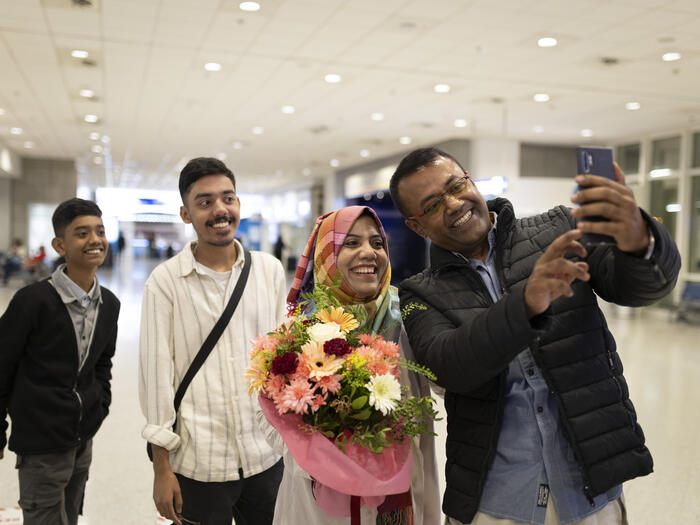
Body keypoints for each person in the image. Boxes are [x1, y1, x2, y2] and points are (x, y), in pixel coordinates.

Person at [388, 147, 681, 525]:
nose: (454, 203)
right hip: (494, 501)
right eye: (432, 205)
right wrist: (525, 303)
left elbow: (637, 288)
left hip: (590, 487)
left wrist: (639, 240)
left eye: (456, 185)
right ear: (417, 226)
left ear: (470, 180)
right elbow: (450, 366)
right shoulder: (420, 292)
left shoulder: (558, 228)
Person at [261, 205, 441, 525]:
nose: (368, 253)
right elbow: (266, 421)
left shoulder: (410, 318)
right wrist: (328, 453)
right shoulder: (301, 328)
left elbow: (444, 379)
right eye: (351, 243)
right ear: (326, 255)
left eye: (376, 243)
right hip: (318, 499)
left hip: (399, 488)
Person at [138, 157, 286, 525]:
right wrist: (161, 468)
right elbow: (156, 376)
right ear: (186, 214)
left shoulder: (268, 270)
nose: (220, 210)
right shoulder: (165, 281)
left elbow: (284, 358)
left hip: (265, 454)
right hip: (198, 461)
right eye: (205, 202)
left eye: (228, 198)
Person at [0, 198, 120, 525]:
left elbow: (102, 365)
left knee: (70, 513)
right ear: (60, 245)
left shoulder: (109, 304)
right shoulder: (32, 301)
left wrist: (98, 406)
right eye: (82, 233)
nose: (95, 240)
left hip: (82, 436)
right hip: (40, 443)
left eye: (100, 231)